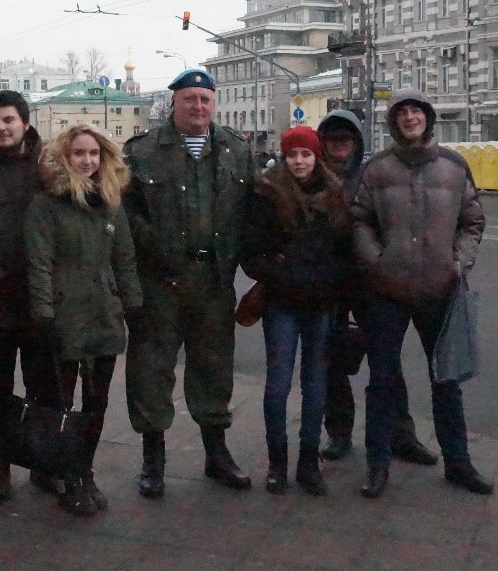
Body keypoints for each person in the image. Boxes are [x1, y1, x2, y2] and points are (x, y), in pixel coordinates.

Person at [352, 87, 492, 498]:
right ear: (393, 121)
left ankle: (458, 463)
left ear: (427, 118)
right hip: (387, 290)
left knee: (446, 380)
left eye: (416, 111)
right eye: (402, 112)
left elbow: (472, 221)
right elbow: (359, 219)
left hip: (440, 289)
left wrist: (458, 263)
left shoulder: (453, 166)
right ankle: (378, 464)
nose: (410, 117)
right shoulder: (377, 168)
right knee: (382, 382)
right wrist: (377, 262)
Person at [123, 68, 254, 498]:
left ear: (213, 104)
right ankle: (153, 459)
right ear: (174, 103)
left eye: (205, 99)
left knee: (214, 367)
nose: (198, 106)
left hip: (214, 280)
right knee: (151, 369)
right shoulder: (143, 152)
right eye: (189, 99)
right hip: (160, 282)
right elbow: (125, 212)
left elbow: (252, 211)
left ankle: (217, 454)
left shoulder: (236, 150)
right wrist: (155, 244)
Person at [25, 125, 142, 516]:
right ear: (65, 157)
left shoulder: (110, 202)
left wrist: (133, 304)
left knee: (97, 402)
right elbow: (39, 263)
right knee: (62, 403)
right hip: (64, 315)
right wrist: (44, 312)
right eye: (79, 153)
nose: (87, 160)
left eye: (94, 153)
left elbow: (124, 258)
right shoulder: (47, 204)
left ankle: (84, 469)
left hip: (103, 314)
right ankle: (65, 475)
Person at [317, 110, 435, 465]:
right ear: (323, 144)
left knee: (386, 363)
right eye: (333, 139)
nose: (340, 146)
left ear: (357, 142)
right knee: (332, 360)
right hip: (328, 283)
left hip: (370, 281)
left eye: (346, 139)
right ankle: (339, 432)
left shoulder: (371, 175)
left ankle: (401, 434)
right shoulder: (313, 178)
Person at [243, 126, 352, 496]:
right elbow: (252, 253)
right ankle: (278, 463)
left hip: (321, 304)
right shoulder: (267, 194)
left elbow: (344, 251)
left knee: (316, 384)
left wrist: (331, 284)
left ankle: (308, 461)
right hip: (282, 303)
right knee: (277, 384)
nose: (300, 161)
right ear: (284, 157)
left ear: (316, 157)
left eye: (306, 154)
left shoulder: (334, 194)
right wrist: (283, 278)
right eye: (293, 154)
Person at [0, 90, 58, 502]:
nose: (1, 128)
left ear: (25, 122)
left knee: (46, 386)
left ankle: (44, 463)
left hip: (40, 297)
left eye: (8, 120)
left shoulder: (49, 164)